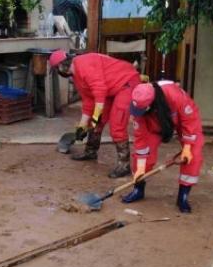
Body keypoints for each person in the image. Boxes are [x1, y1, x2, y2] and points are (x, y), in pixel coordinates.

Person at [50, 49, 142, 177]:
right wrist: (82, 126)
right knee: (97, 120)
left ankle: (124, 164)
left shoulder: (84, 64)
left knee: (116, 125)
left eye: (56, 69)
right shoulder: (76, 75)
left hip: (126, 83)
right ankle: (90, 151)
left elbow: (100, 91)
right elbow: (88, 101)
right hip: (111, 88)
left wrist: (95, 117)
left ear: (60, 66)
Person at [121, 80, 204, 213]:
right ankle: (138, 188)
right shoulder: (139, 111)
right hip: (153, 120)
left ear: (150, 105)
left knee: (193, 155)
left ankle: (183, 196)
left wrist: (187, 147)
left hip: (183, 119)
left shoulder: (175, 95)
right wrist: (141, 168)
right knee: (141, 157)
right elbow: (141, 141)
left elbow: (190, 121)